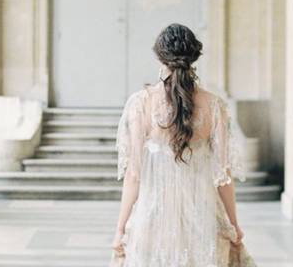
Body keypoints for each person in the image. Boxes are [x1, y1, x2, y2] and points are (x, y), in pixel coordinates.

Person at [110, 23, 257, 266]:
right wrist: (233, 224)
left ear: (160, 57)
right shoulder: (214, 106)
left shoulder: (140, 104)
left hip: (152, 221)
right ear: (193, 58)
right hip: (203, 221)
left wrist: (120, 228)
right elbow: (224, 177)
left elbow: (133, 176)